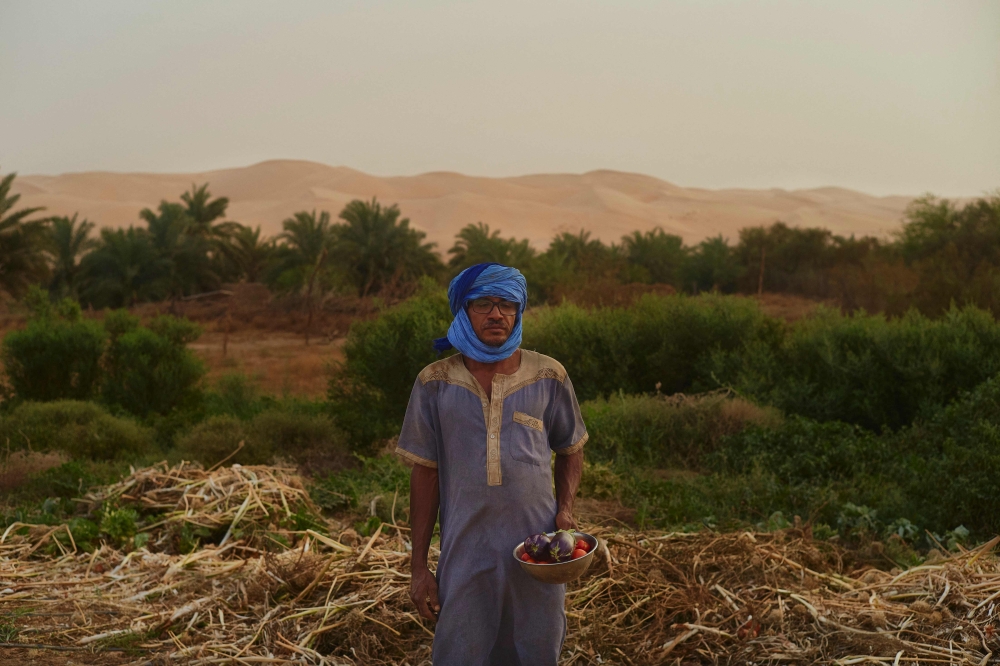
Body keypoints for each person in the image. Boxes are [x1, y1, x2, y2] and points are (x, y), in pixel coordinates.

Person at [396, 262, 587, 666]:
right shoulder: (435, 383)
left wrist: (566, 511)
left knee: (536, 652)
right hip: (466, 554)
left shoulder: (548, 375)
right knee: (460, 652)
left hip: (538, 553)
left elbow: (571, 447)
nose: (496, 314)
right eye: (483, 303)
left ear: (519, 312)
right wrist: (418, 569)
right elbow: (425, 475)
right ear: (463, 311)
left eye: (507, 304)